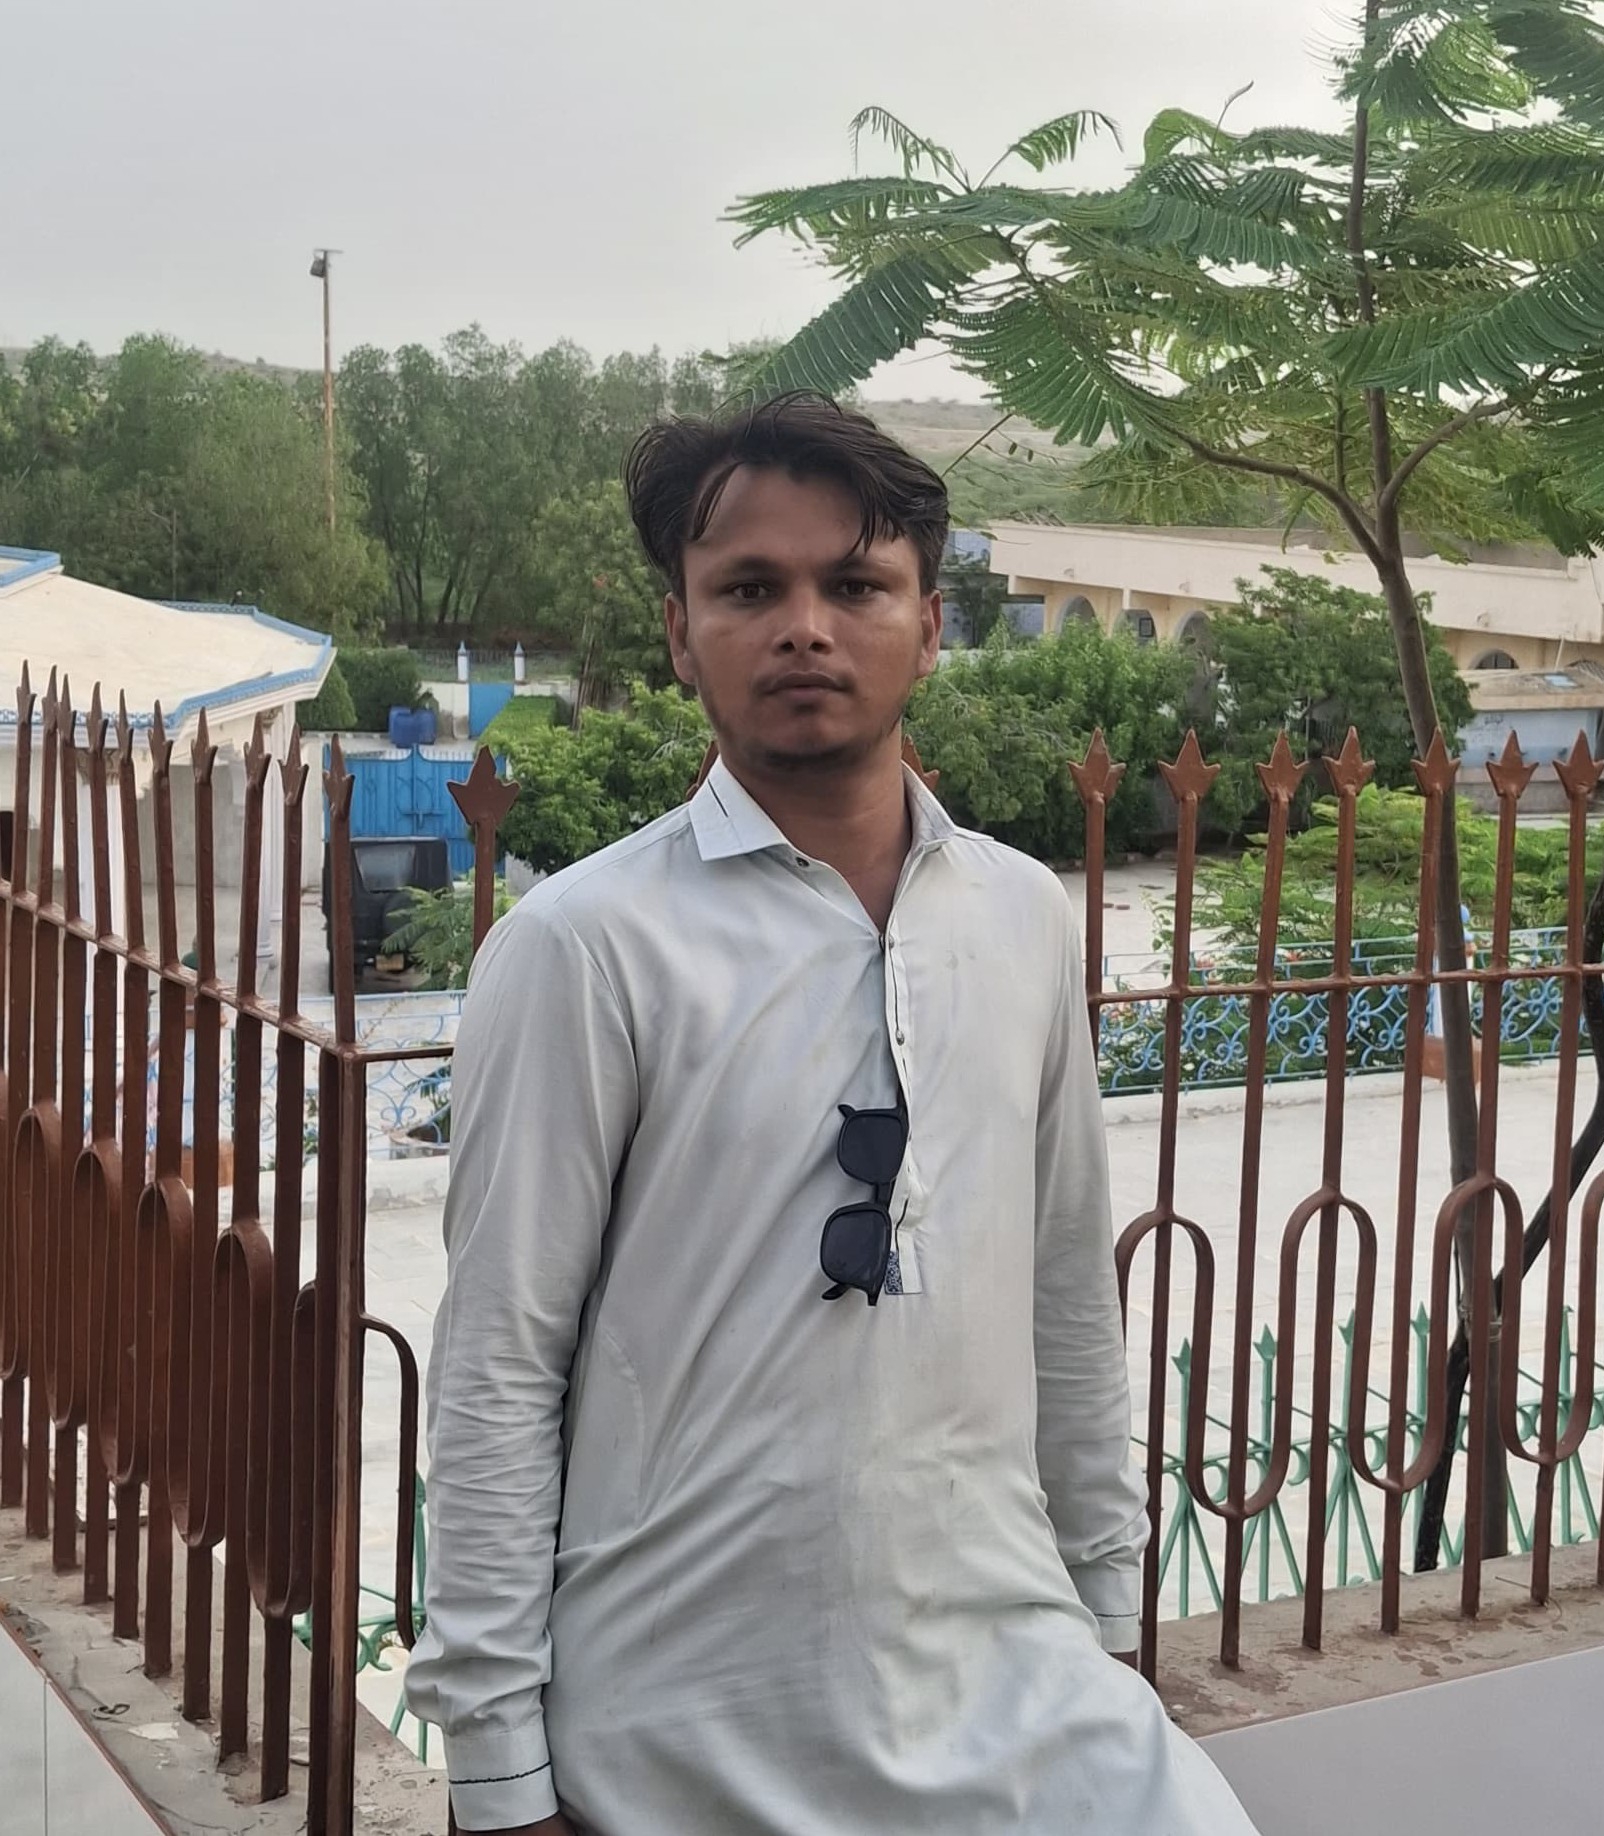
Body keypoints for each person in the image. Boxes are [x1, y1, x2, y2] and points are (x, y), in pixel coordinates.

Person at [404, 392, 1260, 1836]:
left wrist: (1109, 1623)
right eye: (750, 589)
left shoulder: (1021, 915)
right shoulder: (584, 946)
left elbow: (1066, 1291)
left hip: (1017, 1688)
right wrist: (497, 1772)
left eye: (855, 585)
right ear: (681, 635)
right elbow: (499, 1363)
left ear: (929, 626)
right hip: (680, 1728)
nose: (804, 628)